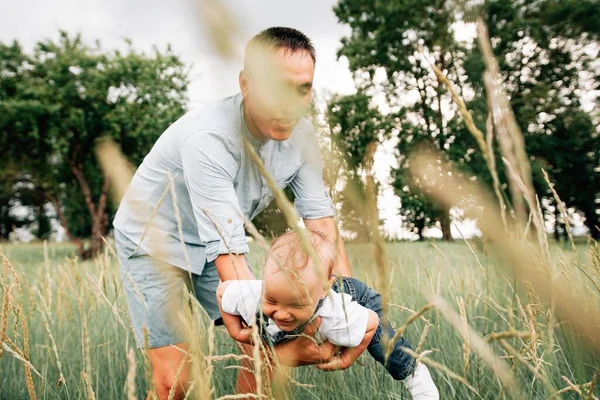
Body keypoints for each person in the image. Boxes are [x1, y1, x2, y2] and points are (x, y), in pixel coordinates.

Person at [113, 27, 353, 399]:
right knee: (175, 382)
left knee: (268, 354)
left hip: (215, 243)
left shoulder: (303, 138)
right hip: (152, 241)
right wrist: (272, 331)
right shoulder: (210, 138)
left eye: (302, 89)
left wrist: (350, 312)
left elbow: (320, 223)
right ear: (245, 83)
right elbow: (228, 251)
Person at [217, 230, 439, 399]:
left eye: (295, 304)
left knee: (384, 342)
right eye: (272, 301)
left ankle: (413, 372)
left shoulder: (335, 315)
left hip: (354, 294)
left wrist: (347, 357)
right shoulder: (253, 294)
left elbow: (371, 323)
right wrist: (236, 331)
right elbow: (223, 291)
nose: (282, 314)